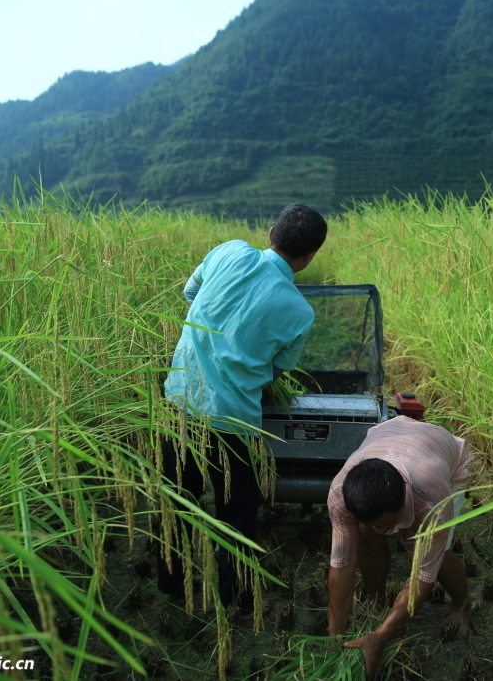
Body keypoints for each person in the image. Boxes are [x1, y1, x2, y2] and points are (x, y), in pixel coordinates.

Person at [156, 203, 327, 615]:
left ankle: (172, 589)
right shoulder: (300, 312)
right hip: (230, 422)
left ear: (271, 233)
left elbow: (190, 293)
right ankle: (238, 599)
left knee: (177, 500)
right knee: (238, 509)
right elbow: (274, 372)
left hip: (178, 402)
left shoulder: (228, 251)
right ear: (309, 258)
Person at [327, 415, 474, 680]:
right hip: (390, 435)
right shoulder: (340, 495)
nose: (387, 532)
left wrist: (382, 637)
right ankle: (378, 603)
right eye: (379, 525)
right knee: (366, 534)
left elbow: (422, 576)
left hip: (444, 456)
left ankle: (462, 604)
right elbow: (341, 565)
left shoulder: (431, 502)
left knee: (433, 550)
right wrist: (334, 637)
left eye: (391, 523)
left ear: (404, 500)